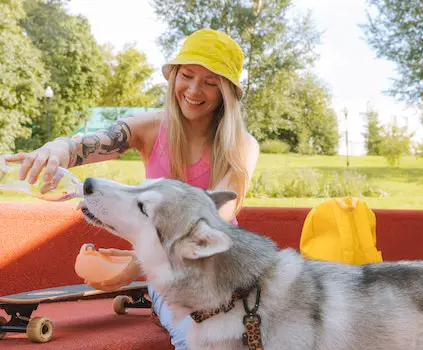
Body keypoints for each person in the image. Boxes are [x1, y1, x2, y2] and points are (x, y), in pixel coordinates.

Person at [5, 28, 259, 349]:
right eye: (188, 75)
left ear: (226, 92)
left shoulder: (241, 145)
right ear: (174, 76)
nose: (194, 90)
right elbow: (87, 145)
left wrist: (141, 257)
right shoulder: (149, 127)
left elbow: (215, 221)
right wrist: (56, 150)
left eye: (211, 82)